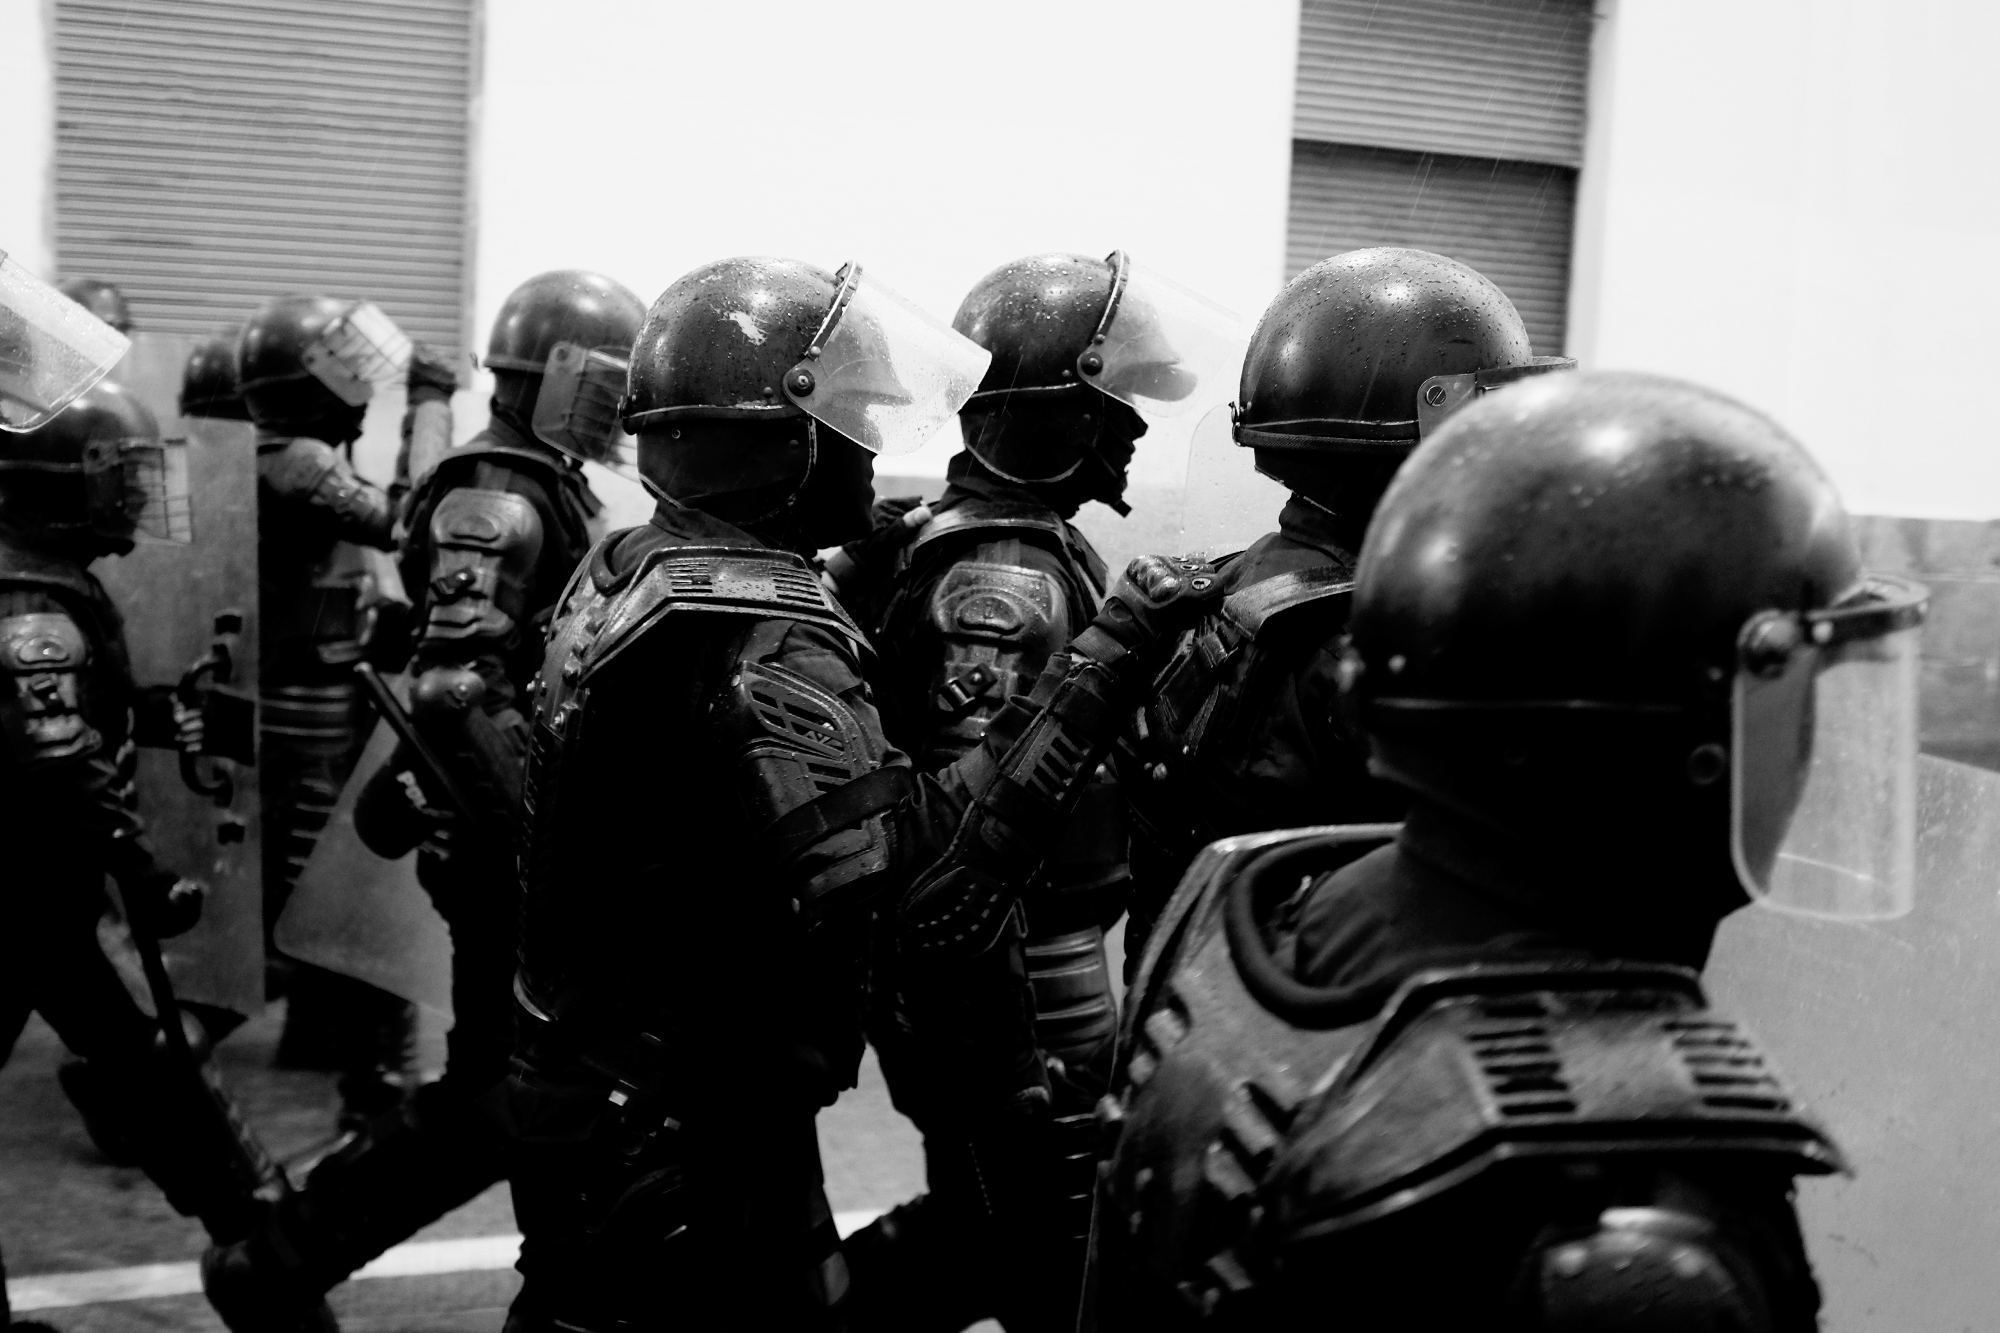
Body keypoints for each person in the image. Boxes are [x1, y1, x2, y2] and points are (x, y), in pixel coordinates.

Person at [1091, 369, 1919, 1329]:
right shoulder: (1631, 1223)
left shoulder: (1260, 903)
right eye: (1793, 695)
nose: (1807, 748)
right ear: (1674, 742)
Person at [501, 255, 1220, 1332]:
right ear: (778, 443)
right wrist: (1107, 658)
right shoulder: (754, 627)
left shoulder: (642, 564)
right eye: (847, 422)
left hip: (636, 1076)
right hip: (677, 1114)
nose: (872, 447)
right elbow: (915, 884)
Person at [201, 271, 647, 1326]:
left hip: (516, 834)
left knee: (530, 1089)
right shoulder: (498, 494)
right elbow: (458, 687)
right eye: (604, 380)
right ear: (556, 376)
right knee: (510, 1092)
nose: (619, 405)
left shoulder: (537, 478)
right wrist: (546, 839)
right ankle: (284, 1257)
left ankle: (308, 1261)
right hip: (506, 842)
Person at [836, 250, 1226, 1331]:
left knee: (990, 1237)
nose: (1133, 428)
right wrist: (1004, 1053)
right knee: (1047, 1255)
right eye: (1113, 402)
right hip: (1014, 972)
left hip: (1015, 960)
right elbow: (972, 831)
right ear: (1055, 411)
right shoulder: (1005, 571)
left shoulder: (995, 539)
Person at [1119, 247, 1572, 971]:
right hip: (1323, 1011)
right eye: (1484, 421)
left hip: (1202, 996)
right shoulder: (1380, 644)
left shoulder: (1235, 580)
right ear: (1420, 437)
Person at [0, 383, 333, 1333]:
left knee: (153, 1068)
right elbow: (57, 760)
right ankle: (266, 1254)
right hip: (27, 901)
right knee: (158, 1073)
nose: (141, 493)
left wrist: (141, 711)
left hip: (37, 901)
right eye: (123, 473)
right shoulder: (31, 598)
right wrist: (140, 867)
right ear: (64, 481)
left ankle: (264, 1246)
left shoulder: (39, 571)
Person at [234, 295, 414, 1125]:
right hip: (305, 710)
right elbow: (403, 524)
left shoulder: (272, 452)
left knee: (309, 891)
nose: (361, 388)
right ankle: (377, 1088)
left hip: (294, 702)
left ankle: (326, 1042)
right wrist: (432, 410)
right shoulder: (301, 460)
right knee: (341, 896)